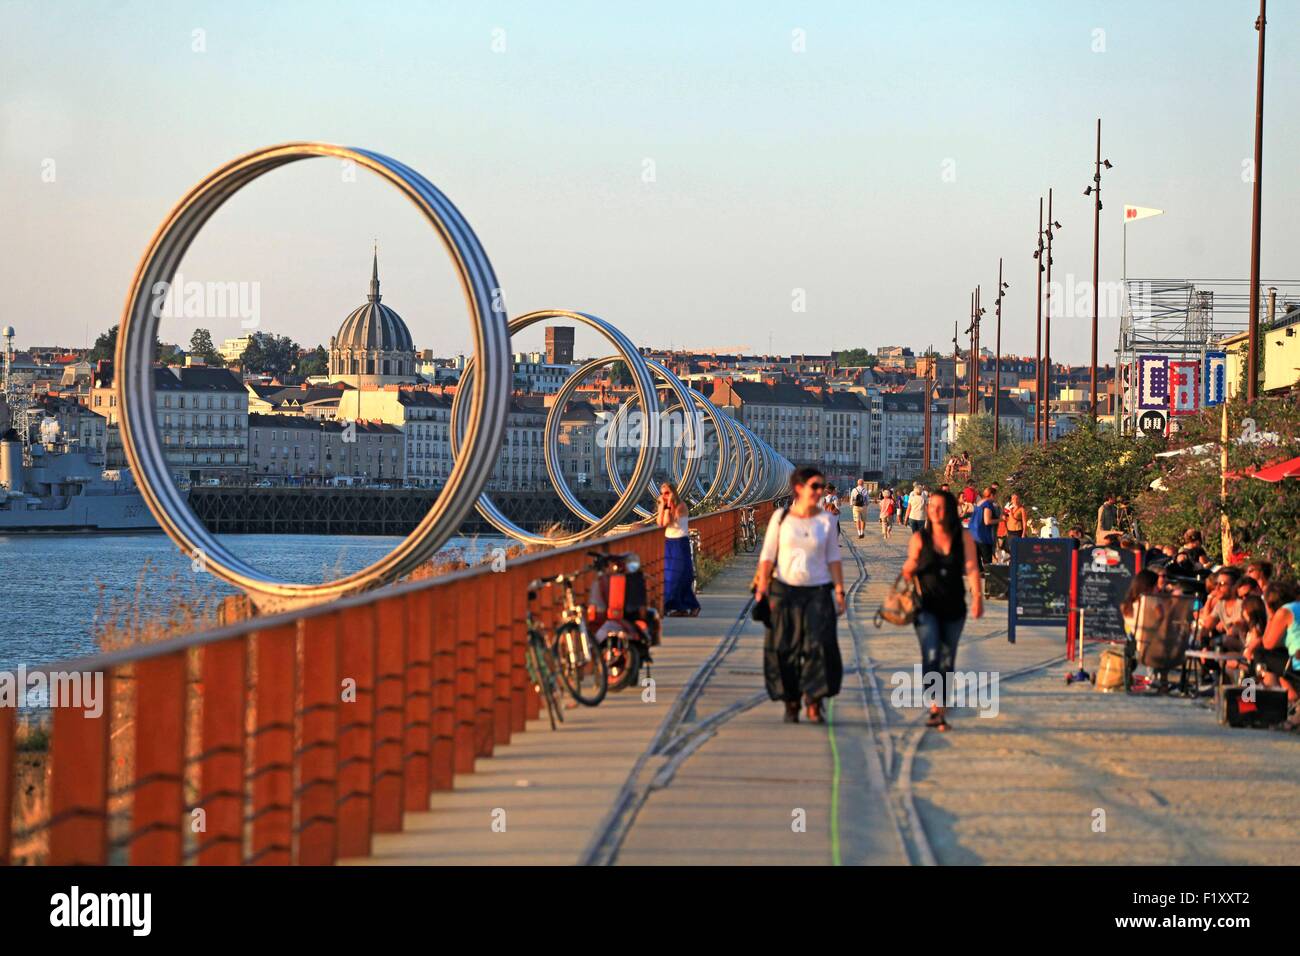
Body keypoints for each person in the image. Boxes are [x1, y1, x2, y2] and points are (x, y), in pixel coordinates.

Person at [755, 466, 846, 724]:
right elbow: (767, 556)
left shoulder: (826, 521)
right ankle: (791, 701)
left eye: (822, 486)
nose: (820, 491)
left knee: (820, 646)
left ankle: (814, 699)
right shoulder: (781, 518)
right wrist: (762, 588)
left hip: (818, 590)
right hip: (784, 590)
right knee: (784, 648)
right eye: (815, 487)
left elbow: (833, 558)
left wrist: (839, 591)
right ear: (799, 488)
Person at [901, 489, 983, 732]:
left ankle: (941, 702)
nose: (935, 510)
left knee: (947, 658)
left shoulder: (963, 537)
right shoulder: (919, 539)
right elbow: (908, 568)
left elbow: (972, 569)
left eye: (940, 506)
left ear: (949, 510)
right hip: (925, 607)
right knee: (932, 653)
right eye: (931, 506)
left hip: (954, 607)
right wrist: (909, 569)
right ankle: (936, 707)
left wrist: (977, 597)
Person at [657, 481, 700, 617]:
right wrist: (662, 507)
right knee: (670, 575)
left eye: (667, 493)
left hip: (680, 542)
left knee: (680, 575)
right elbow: (660, 523)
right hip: (669, 542)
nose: (664, 496)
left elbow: (668, 521)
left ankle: (689, 605)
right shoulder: (666, 506)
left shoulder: (681, 506)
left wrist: (668, 505)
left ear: (673, 493)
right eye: (662, 494)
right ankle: (678, 607)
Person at [968, 486, 997, 571]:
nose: (996, 498)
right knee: (987, 561)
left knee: (977, 560)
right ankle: (989, 578)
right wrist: (1000, 520)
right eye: (995, 495)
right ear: (991, 495)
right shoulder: (987, 504)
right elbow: (987, 521)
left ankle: (980, 576)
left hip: (974, 534)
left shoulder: (979, 503)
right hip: (983, 535)